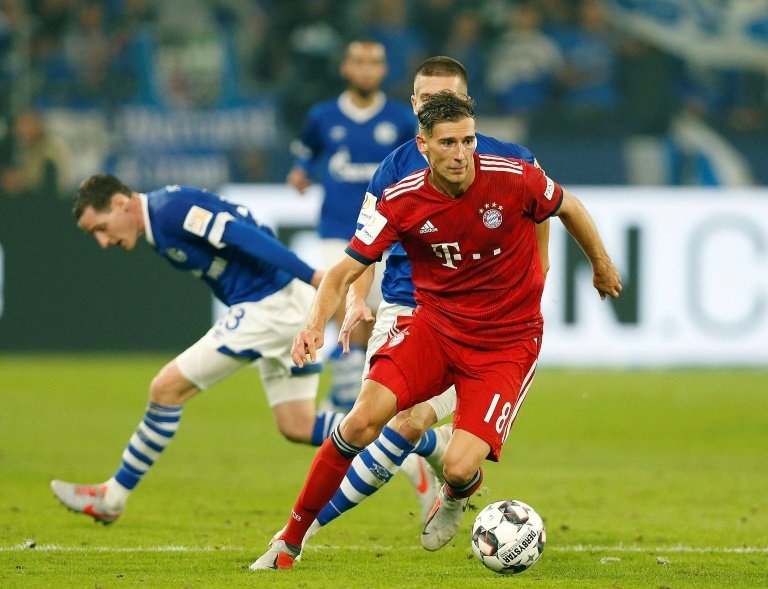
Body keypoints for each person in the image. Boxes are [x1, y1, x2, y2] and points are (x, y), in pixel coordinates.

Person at [251, 90, 621, 570]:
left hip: (506, 343)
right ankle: (289, 542)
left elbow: (568, 206)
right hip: (435, 330)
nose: (461, 154)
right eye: (448, 143)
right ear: (423, 145)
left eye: (467, 141)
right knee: (362, 420)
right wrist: (314, 324)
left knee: (461, 466)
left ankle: (452, 496)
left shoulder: (512, 178)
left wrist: (600, 264)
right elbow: (345, 270)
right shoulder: (402, 200)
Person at [275, 56, 552, 548]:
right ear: (415, 106)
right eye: (426, 99)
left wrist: (542, 265)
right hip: (405, 305)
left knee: (404, 424)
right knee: (380, 424)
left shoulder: (505, 159)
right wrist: (357, 300)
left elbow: (547, 207)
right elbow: (362, 249)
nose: (437, 106)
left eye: (450, 100)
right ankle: (434, 458)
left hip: (475, 321)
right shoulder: (395, 169)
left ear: (468, 105)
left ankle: (302, 533)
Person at [50, 174, 346, 524]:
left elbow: (241, 234)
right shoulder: (161, 219)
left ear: (119, 203)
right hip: (283, 303)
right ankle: (402, 440)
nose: (102, 241)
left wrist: (312, 275)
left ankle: (112, 496)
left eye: (100, 227)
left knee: (165, 388)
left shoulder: (169, 211)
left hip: (270, 305)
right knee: (298, 424)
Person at [286, 39, 414, 413]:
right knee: (342, 292)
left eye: (374, 62)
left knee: (370, 316)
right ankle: (345, 390)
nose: (366, 69)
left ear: (383, 70)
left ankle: (350, 386)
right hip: (338, 230)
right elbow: (304, 157)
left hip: (387, 236)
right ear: (345, 68)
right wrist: (298, 174)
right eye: (359, 62)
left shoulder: (400, 121)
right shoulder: (322, 116)